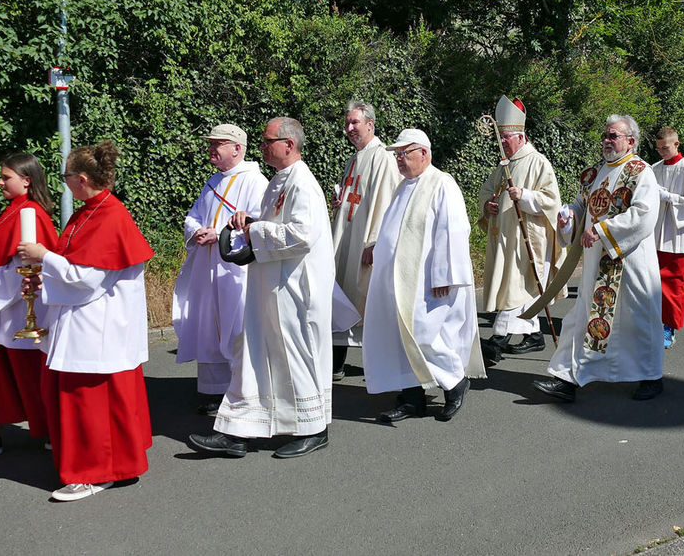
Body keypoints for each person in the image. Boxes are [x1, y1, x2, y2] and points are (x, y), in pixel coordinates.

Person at [189, 117, 335, 459]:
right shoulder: (279, 181)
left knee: (295, 359)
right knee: (254, 357)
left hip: (295, 292)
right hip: (270, 286)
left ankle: (313, 429)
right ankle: (239, 431)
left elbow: (301, 235)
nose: (262, 146)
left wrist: (254, 229)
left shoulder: (303, 184)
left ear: (289, 144)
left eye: (268, 140)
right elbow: (274, 228)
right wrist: (253, 229)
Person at [18, 141, 154, 502]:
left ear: (81, 179)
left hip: (98, 325)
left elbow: (88, 280)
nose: (63, 184)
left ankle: (95, 473)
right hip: (85, 319)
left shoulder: (110, 215)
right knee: (91, 401)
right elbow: (78, 271)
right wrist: (45, 278)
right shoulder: (88, 212)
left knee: (90, 402)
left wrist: (43, 256)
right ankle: (109, 466)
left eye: (65, 177)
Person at [532, 115, 664, 402]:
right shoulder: (593, 173)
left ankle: (651, 376)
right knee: (583, 316)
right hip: (596, 261)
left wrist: (603, 230)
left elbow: (643, 215)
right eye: (605, 135)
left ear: (630, 141)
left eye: (613, 136)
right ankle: (568, 378)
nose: (606, 140)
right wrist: (569, 216)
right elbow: (583, 206)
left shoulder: (641, 172)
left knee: (637, 318)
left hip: (629, 260)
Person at [362, 129, 485, 423]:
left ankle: (455, 382)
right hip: (399, 279)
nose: (399, 160)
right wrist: (377, 246)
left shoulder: (441, 183)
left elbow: (453, 230)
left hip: (429, 281)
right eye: (397, 155)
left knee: (423, 334)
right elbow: (396, 226)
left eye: (404, 154)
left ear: (424, 154)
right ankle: (412, 398)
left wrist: (445, 274)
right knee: (398, 336)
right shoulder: (403, 186)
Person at [172, 124, 267, 415]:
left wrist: (220, 235)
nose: (211, 148)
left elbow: (258, 223)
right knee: (208, 323)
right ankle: (214, 391)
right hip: (207, 266)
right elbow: (195, 214)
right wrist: (198, 230)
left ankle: (240, 392)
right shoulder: (212, 181)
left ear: (237, 148)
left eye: (218, 143)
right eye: (210, 143)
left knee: (235, 326)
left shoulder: (255, 182)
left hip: (235, 270)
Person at [478, 96, 563, 359]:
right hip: (505, 236)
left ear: (521, 136)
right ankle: (534, 335)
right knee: (514, 288)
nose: (502, 143)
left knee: (517, 287)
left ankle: (498, 340)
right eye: (500, 139)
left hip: (529, 240)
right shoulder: (504, 164)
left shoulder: (538, 162)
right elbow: (488, 190)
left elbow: (552, 202)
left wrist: (525, 196)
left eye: (506, 139)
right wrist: (488, 205)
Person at [0, 153, 58, 456]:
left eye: (7, 177)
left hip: (20, 308)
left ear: (26, 181)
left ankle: (50, 431)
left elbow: (30, 269)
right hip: (4, 308)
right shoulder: (12, 210)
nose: (0, 182)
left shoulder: (31, 213)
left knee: (30, 372)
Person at [331, 100, 401, 380]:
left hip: (364, 242)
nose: (349, 128)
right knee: (340, 297)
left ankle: (385, 368)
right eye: (347, 123)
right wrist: (341, 201)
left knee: (366, 301)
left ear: (370, 124)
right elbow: (354, 195)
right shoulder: (355, 157)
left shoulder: (382, 157)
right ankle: (336, 362)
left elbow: (385, 203)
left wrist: (374, 243)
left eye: (355, 123)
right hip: (346, 236)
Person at [651, 127, 684, 348]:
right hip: (656, 233)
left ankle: (669, 328)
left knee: (674, 285)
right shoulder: (653, 168)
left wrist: (668, 197)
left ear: (677, 144)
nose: (662, 152)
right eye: (659, 148)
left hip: (680, 234)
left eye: (666, 148)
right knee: (654, 284)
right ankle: (655, 324)